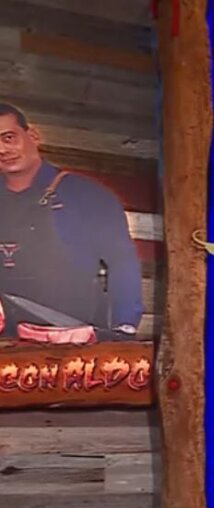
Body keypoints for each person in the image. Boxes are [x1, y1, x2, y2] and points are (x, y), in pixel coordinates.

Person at [0, 102, 143, 340]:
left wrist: (123, 328)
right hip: (6, 339)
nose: (2, 150)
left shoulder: (87, 196)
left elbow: (122, 263)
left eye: (8, 138)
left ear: (33, 136)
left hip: (73, 338)